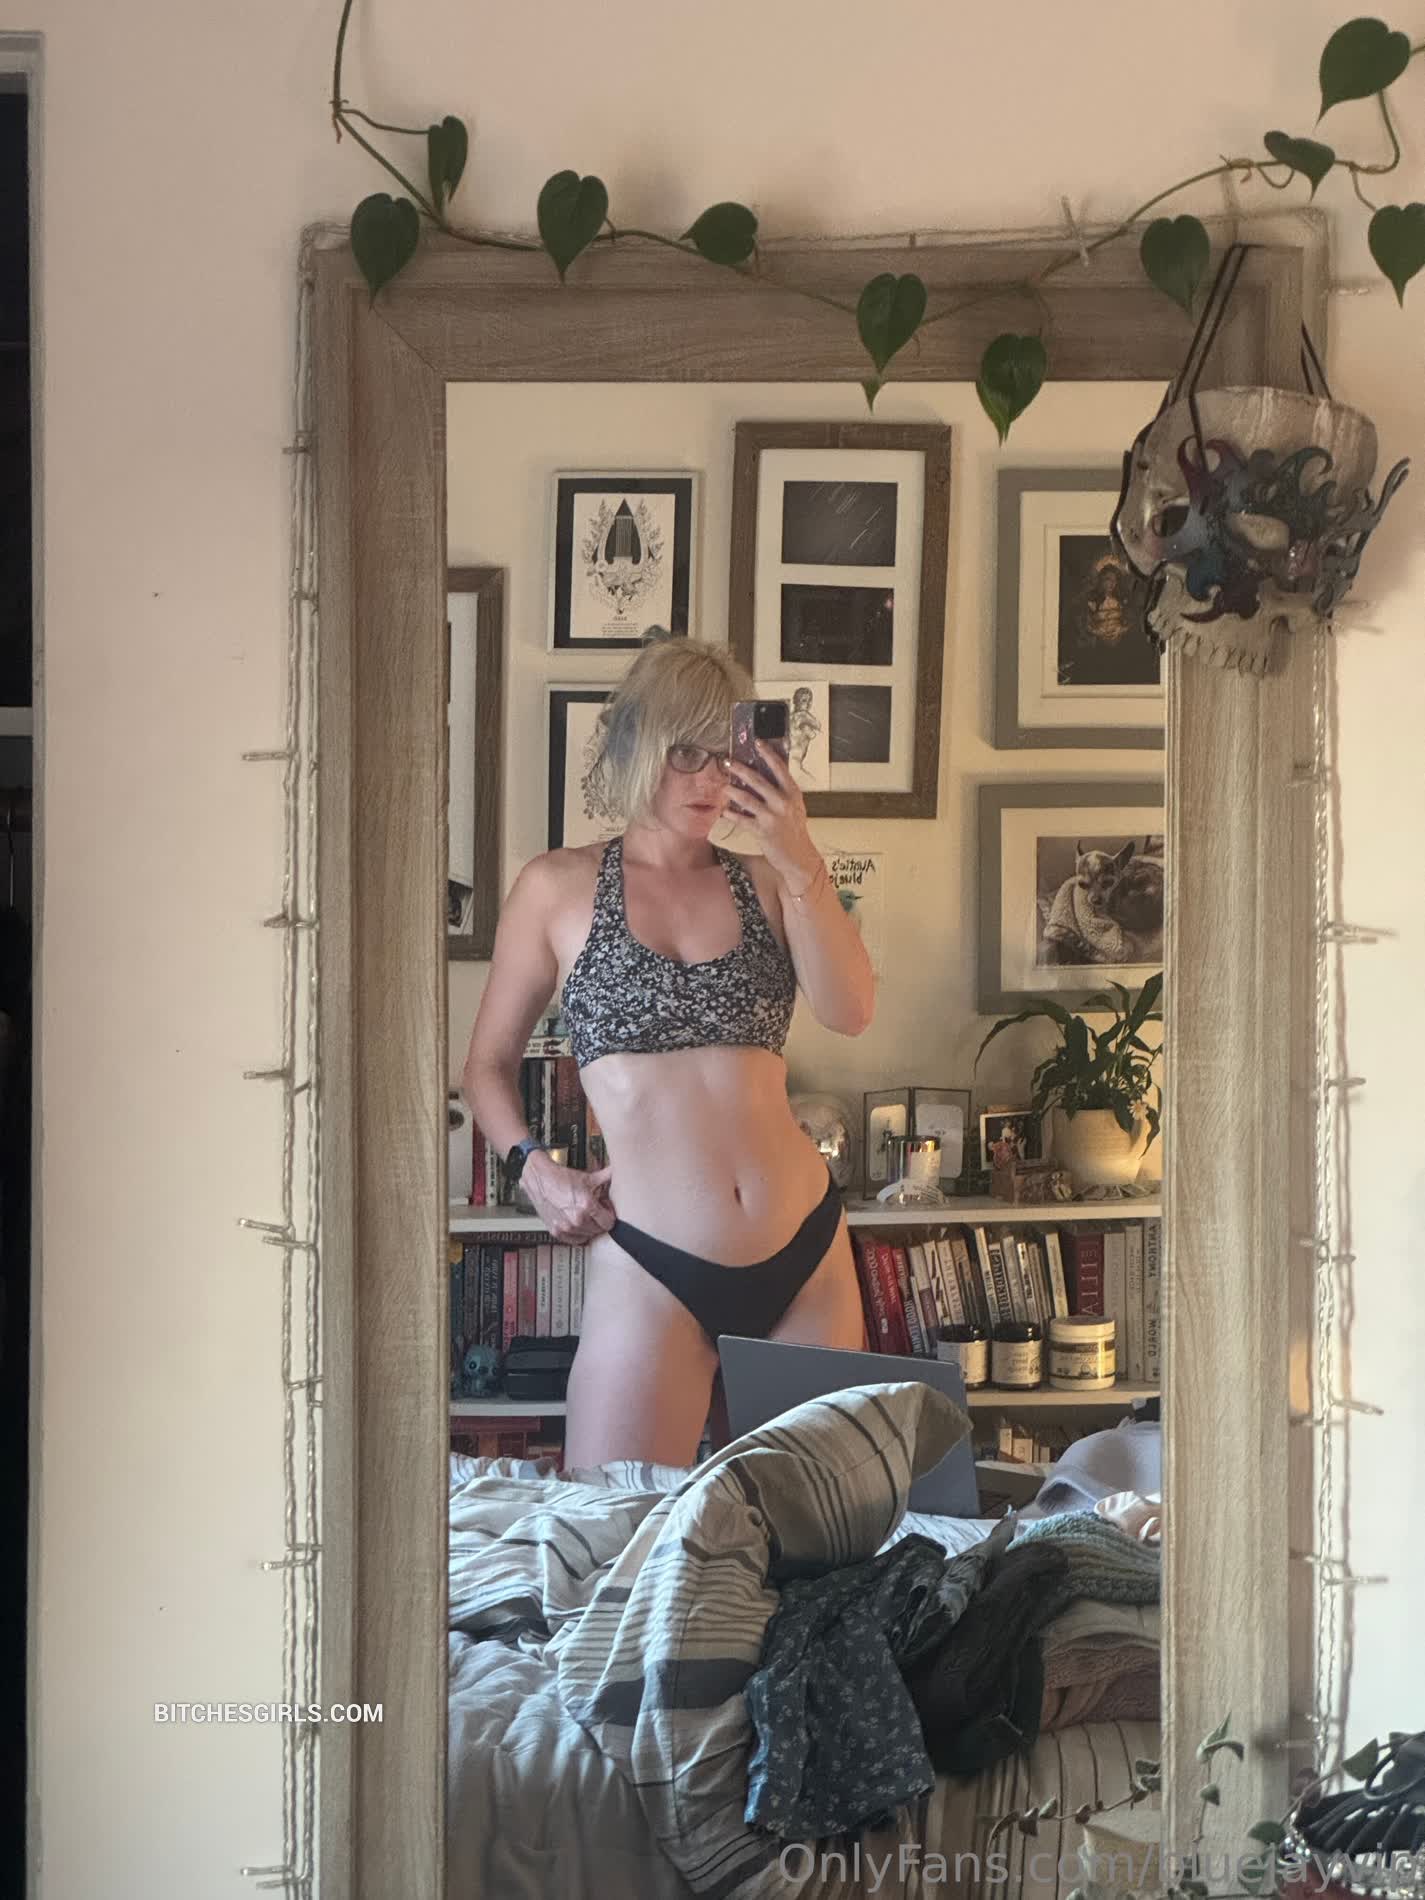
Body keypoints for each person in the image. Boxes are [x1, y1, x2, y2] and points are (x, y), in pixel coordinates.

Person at [462, 635, 875, 1467]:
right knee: (616, 1526)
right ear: (637, 744)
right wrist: (534, 1172)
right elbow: (485, 1067)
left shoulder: (771, 882)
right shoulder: (556, 886)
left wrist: (799, 856)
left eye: (727, 756)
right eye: (686, 752)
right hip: (652, 1264)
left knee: (821, 1532)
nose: (710, 779)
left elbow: (850, 1011)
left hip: (806, 1253)